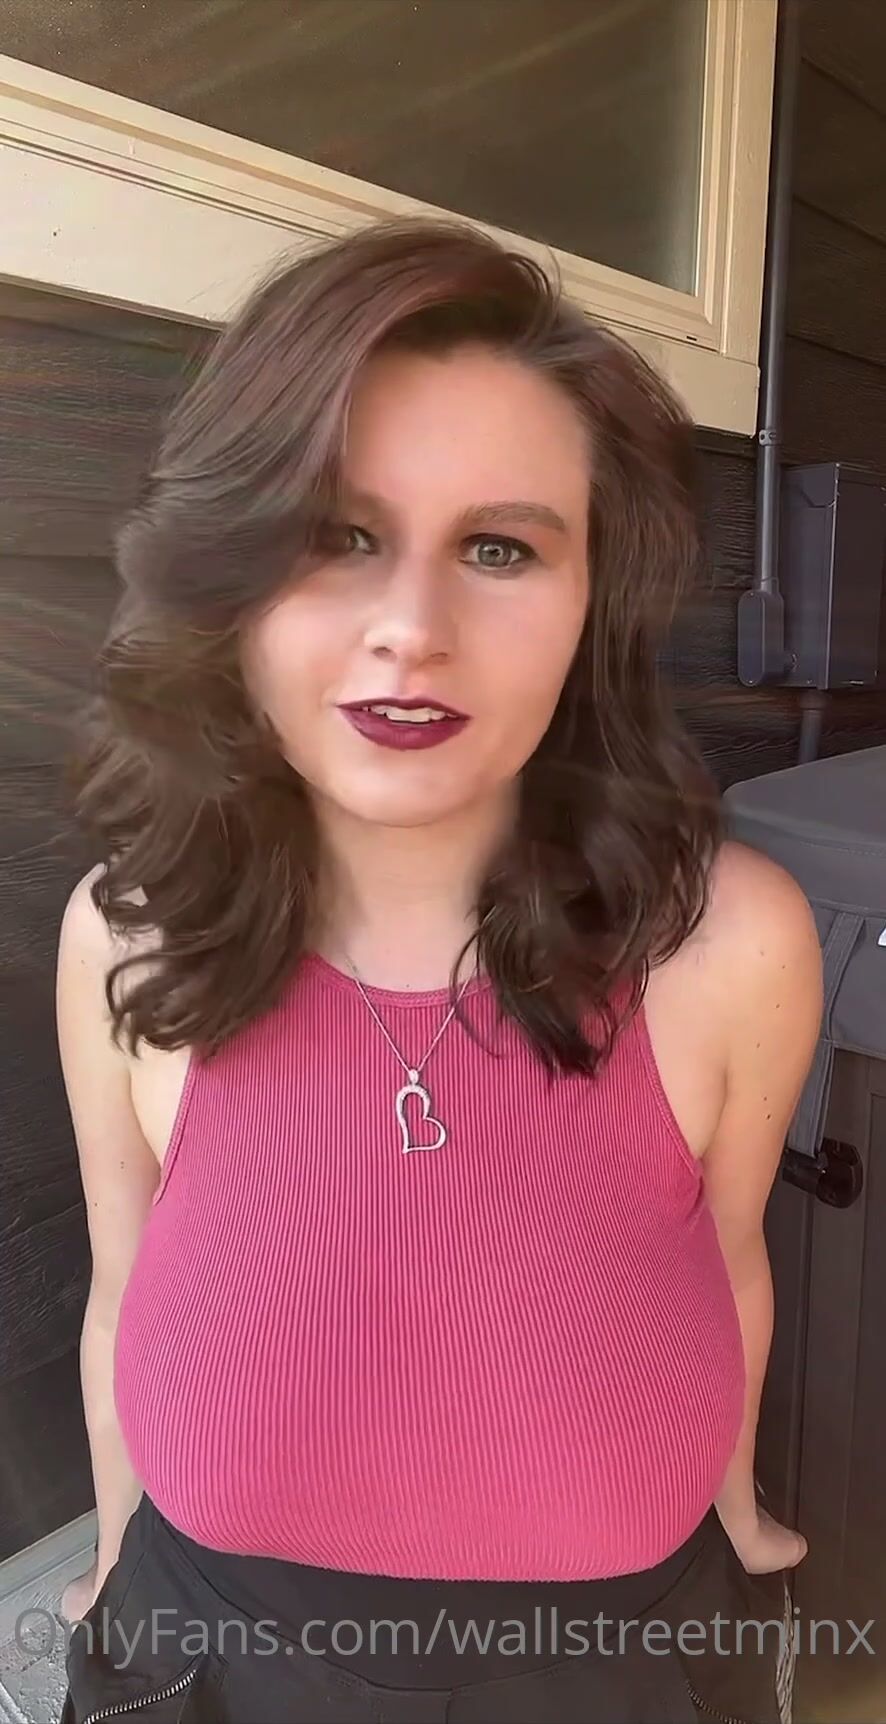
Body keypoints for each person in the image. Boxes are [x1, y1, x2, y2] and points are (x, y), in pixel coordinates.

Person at [56, 217, 822, 1724]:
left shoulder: (729, 941)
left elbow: (725, 1258)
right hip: (211, 1651)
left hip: (621, 1664)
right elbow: (123, 1282)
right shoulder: (130, 932)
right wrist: (110, 1553)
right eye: (337, 537)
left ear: (593, 598)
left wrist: (731, 1505)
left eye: (499, 548)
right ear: (226, 576)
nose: (412, 630)